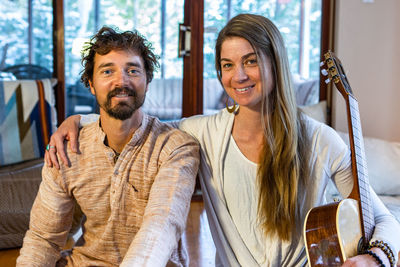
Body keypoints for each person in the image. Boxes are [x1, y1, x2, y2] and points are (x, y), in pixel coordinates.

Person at [46, 14, 400, 267]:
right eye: (227, 65)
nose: (239, 76)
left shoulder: (321, 140)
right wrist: (80, 119)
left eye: (250, 61)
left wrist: (373, 259)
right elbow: (137, 126)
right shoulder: (202, 132)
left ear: (275, 64)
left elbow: (385, 221)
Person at [17, 26, 200, 267]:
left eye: (133, 70)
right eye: (107, 71)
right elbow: (44, 238)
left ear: (147, 80)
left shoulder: (176, 147)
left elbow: (161, 227)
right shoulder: (68, 147)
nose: (121, 81)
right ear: (91, 84)